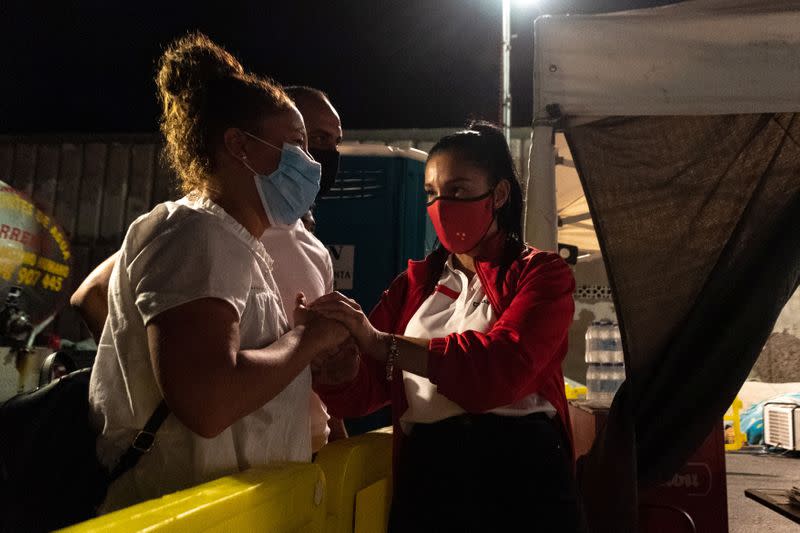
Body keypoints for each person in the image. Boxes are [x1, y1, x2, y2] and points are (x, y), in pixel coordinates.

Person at [88, 32, 349, 513]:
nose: (310, 165)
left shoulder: (238, 243)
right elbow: (207, 401)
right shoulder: (194, 234)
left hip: (228, 512)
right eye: (296, 145)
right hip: (182, 512)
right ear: (238, 146)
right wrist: (306, 340)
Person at [312, 122, 583, 532]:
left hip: (521, 476)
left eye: (457, 190)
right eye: (432, 194)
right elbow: (365, 388)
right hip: (429, 476)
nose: (442, 205)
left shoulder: (542, 274)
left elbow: (500, 370)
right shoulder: (415, 285)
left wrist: (380, 343)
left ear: (500, 194)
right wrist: (338, 372)